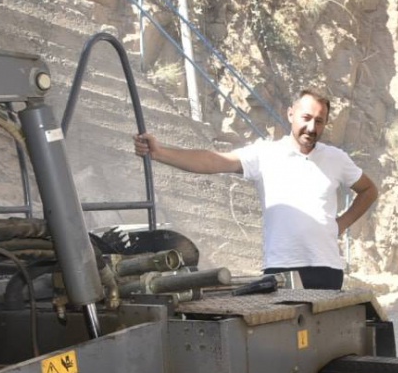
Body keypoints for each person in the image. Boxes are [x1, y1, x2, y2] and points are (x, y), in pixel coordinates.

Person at [133, 88, 379, 289]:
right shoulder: (266, 154)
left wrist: (342, 224)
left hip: (327, 268)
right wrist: (160, 153)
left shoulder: (336, 159)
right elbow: (214, 160)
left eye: (319, 121)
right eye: (306, 118)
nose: (312, 128)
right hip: (282, 268)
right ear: (291, 114)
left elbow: (368, 190)